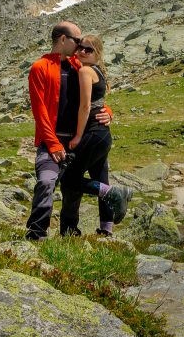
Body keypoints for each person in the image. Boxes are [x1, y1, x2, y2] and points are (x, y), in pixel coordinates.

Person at [24, 22, 130, 239]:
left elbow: (92, 98)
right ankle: (36, 233)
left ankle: (69, 233)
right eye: (77, 41)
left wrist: (107, 111)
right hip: (51, 141)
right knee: (46, 181)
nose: (80, 47)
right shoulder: (40, 67)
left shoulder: (78, 66)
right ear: (63, 40)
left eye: (84, 45)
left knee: (72, 189)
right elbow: (40, 111)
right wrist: (52, 144)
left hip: (75, 140)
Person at [63, 34, 132, 236]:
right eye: (81, 48)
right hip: (103, 135)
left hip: (92, 133)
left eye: (88, 49)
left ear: (97, 53)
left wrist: (77, 137)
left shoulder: (85, 71)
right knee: (100, 177)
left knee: (69, 179)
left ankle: (116, 193)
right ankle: (106, 231)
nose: (82, 51)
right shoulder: (98, 71)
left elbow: (85, 107)